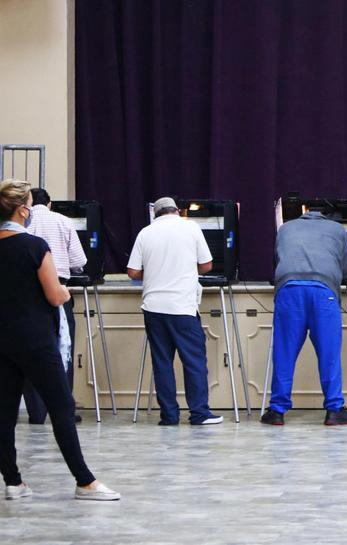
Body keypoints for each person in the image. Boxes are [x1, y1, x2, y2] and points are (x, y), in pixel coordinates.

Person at [0, 179, 119, 501]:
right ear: (24, 210)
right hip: (36, 338)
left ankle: (13, 482)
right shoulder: (34, 246)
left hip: (3, 338)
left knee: (5, 412)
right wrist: (64, 291)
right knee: (62, 407)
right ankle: (85, 481)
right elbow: (54, 295)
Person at [126, 197, 223, 426]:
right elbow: (207, 265)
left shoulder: (145, 232)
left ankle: (169, 416)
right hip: (182, 306)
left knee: (162, 362)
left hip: (153, 307)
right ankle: (199, 413)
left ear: (156, 214)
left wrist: (153, 273)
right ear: (177, 211)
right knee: (194, 362)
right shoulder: (191, 227)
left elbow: (132, 271)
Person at [261, 205, 347, 426]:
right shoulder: (337, 230)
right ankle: (334, 409)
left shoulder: (285, 228)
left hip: (288, 290)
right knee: (329, 353)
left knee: (284, 352)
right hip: (323, 291)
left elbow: (276, 260)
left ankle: (277, 411)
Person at [22, 188, 87, 425]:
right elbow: (79, 261)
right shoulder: (63, 221)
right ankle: (64, 410)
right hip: (59, 290)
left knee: (30, 350)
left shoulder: (23, 222)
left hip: (28, 293)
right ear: (50, 204)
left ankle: (36, 413)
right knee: (63, 350)